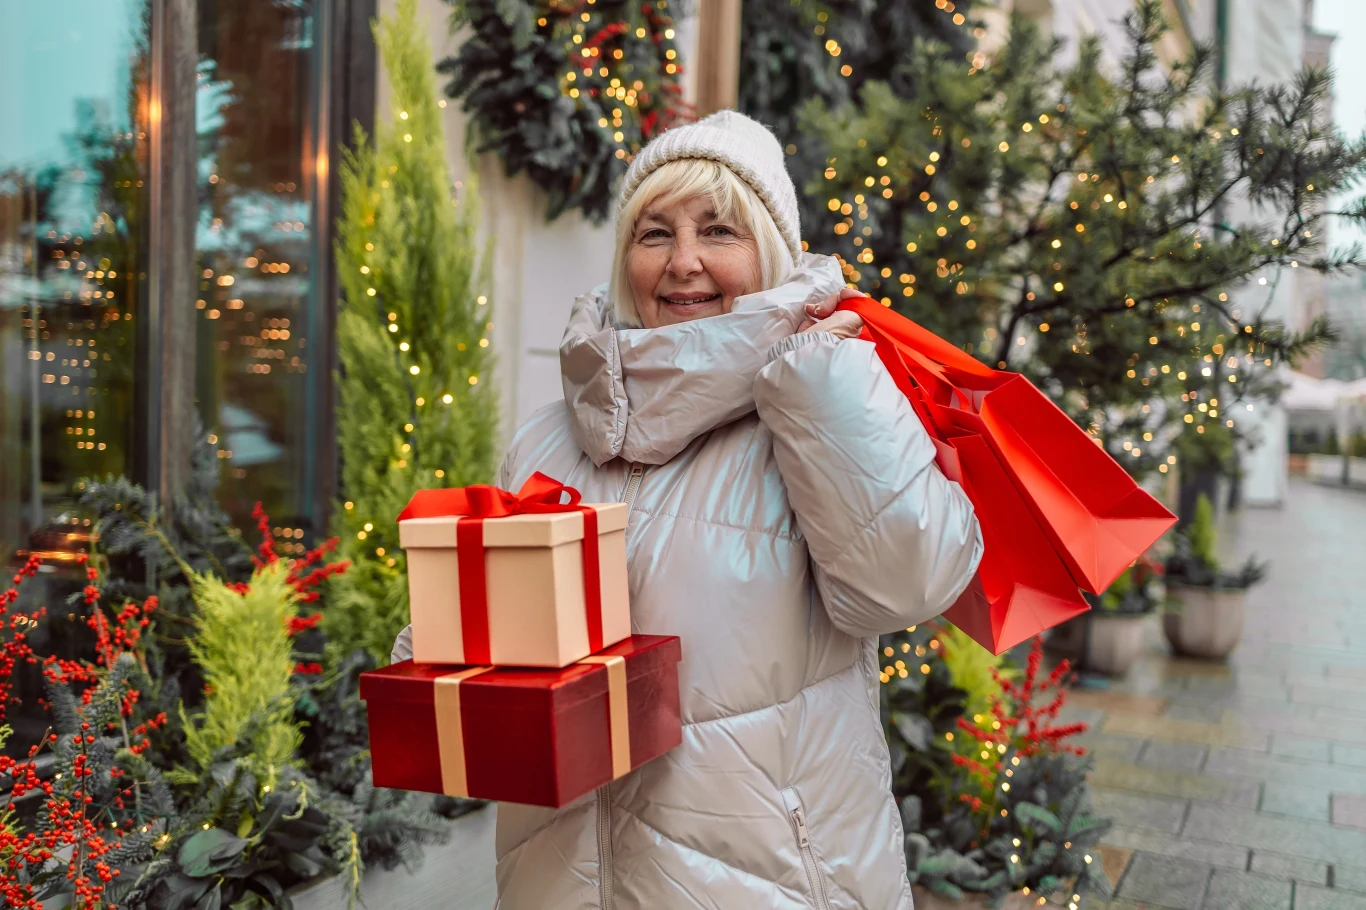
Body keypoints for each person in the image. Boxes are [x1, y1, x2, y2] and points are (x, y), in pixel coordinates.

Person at [393, 110, 983, 909]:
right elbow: (511, 642)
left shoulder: (819, 403)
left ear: (769, 253)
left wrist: (823, 388)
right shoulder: (548, 436)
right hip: (557, 879)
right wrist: (442, 658)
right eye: (653, 233)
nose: (684, 262)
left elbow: (909, 584)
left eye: (719, 230)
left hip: (763, 882)